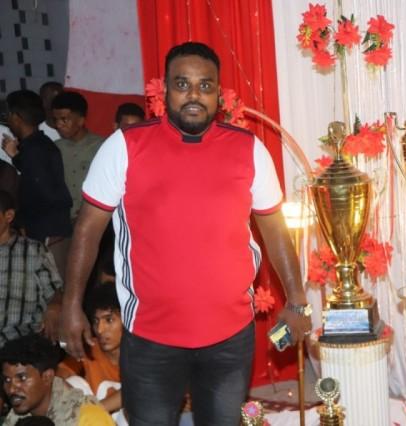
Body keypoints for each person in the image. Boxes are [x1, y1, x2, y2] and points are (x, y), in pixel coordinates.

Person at [61, 41, 312, 425]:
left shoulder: (249, 149)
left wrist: (296, 300)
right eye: (183, 84)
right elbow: (86, 231)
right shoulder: (125, 147)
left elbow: (276, 231)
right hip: (151, 339)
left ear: (219, 94)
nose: (194, 95)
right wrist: (71, 304)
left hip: (230, 338)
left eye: (205, 86)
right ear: (165, 90)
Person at [2, 90, 73, 275]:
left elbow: (44, 192)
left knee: (53, 289)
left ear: (16, 117)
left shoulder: (35, 150)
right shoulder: (38, 145)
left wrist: (24, 224)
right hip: (49, 233)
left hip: (48, 236)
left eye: (9, 114)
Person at [1, 334, 113, 425]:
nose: (11, 389)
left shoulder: (88, 418)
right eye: (7, 380)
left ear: (47, 377)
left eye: (22, 378)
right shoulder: (16, 417)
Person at [0, 190, 63, 346]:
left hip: (20, 340)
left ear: (9, 216)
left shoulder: (33, 250)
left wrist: (55, 307)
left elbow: (54, 294)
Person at [58, 283, 123, 414]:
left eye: (109, 320)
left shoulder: (143, 351)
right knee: (73, 383)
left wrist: (93, 411)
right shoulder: (88, 348)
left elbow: (137, 391)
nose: (100, 330)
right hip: (93, 417)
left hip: (132, 418)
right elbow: (58, 379)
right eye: (96, 321)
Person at [52, 91, 103, 221]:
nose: (58, 125)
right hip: (63, 221)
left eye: (64, 119)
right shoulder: (54, 148)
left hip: (94, 220)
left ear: (80, 120)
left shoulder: (102, 147)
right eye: (56, 120)